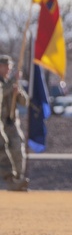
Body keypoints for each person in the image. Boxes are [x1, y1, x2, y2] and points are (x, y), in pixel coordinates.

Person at [0, 55, 29, 192]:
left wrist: (18, 92)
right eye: (5, 66)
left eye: (9, 67)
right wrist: (12, 84)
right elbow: (3, 92)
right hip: (1, 123)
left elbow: (25, 102)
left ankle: (17, 179)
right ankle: (10, 179)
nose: (8, 69)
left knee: (18, 149)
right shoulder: (6, 83)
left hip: (11, 123)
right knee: (4, 152)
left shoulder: (13, 83)